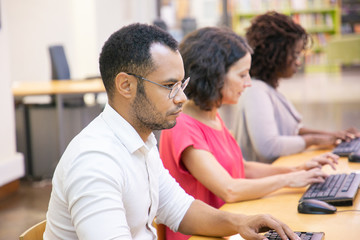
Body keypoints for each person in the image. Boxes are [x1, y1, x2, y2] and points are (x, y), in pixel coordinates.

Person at [43, 23, 301, 240]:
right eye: (169, 85)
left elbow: (181, 209)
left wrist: (240, 223)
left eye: (181, 84)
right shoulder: (95, 162)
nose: (181, 97)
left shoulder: (141, 141)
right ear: (125, 85)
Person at [159, 26, 339, 240]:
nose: (249, 83)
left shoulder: (211, 114)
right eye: (242, 74)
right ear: (215, 76)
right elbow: (229, 188)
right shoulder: (182, 126)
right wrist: (290, 179)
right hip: (202, 235)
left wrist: (295, 169)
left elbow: (240, 167)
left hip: (227, 225)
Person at [219, 11, 359, 163]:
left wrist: (333, 135)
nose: (298, 62)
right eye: (295, 54)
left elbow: (292, 130)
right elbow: (268, 147)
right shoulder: (256, 92)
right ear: (275, 54)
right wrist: (314, 140)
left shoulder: (268, 89)